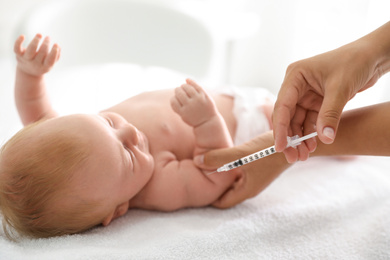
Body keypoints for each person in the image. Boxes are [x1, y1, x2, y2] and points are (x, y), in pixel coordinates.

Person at [0, 34, 274, 239]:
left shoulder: (82, 141)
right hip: (251, 123)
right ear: (118, 209)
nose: (130, 130)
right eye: (128, 154)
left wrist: (30, 74)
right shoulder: (157, 187)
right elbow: (215, 175)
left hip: (221, 93)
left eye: (108, 121)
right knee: (306, 108)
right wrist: (206, 121)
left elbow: (36, 112)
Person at [194, 21, 390, 208]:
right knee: (295, 119)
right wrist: (369, 52)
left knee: (295, 121)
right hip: (251, 122)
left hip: (248, 107)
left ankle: (341, 148)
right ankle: (342, 148)